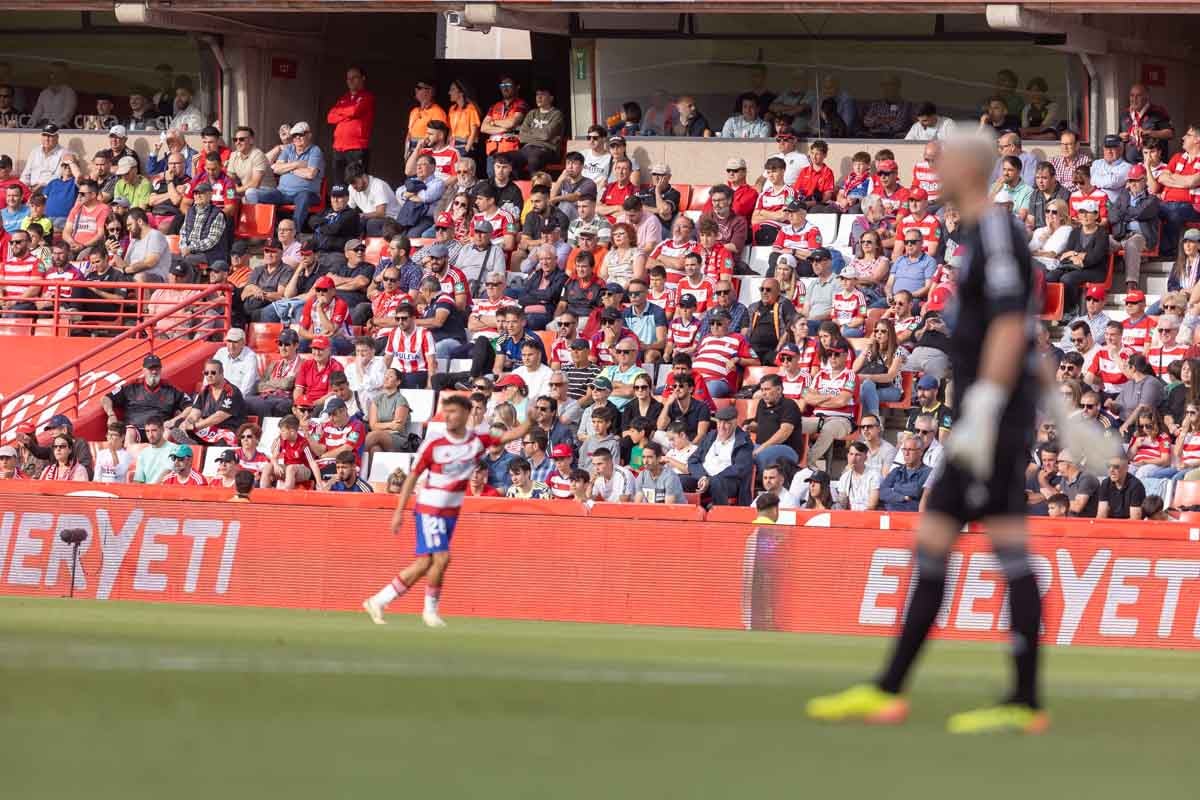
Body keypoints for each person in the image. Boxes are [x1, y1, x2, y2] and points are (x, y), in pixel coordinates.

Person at [808, 132, 1052, 734]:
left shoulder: (994, 231)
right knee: (956, 543)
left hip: (989, 422)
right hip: (989, 417)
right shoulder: (973, 234)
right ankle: (911, 690)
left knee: (984, 549)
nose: (933, 169)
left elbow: (1005, 329)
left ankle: (999, 699)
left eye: (943, 159)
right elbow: (1023, 331)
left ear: (970, 168)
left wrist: (985, 412)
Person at [363, 395, 524, 627]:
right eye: (445, 411)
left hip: (449, 512)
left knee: (424, 564)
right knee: (442, 557)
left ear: (467, 414)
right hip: (430, 508)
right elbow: (413, 477)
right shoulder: (434, 444)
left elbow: (508, 436)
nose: (448, 416)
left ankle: (379, 600)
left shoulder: (475, 442)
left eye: (453, 411)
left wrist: (529, 422)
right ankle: (430, 611)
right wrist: (399, 510)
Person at [246, 121, 323, 234]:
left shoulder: (315, 150)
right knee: (251, 193)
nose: (297, 138)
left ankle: (293, 233)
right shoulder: (289, 149)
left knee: (303, 197)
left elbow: (310, 174)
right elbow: (276, 168)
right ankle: (260, 232)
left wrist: (287, 168)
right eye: (294, 135)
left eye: (301, 134)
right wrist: (296, 165)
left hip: (306, 193)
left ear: (309, 135)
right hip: (282, 193)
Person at [102, 353, 190, 443]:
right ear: (143, 370)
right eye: (151, 368)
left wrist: (174, 421)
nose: (154, 371)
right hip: (134, 429)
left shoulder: (171, 389)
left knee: (167, 432)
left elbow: (190, 407)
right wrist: (111, 415)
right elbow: (106, 398)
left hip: (159, 430)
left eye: (157, 368)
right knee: (129, 433)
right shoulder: (132, 386)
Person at [685, 405, 753, 506]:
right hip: (703, 478)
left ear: (734, 423)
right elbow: (693, 460)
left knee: (717, 482)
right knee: (680, 480)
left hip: (728, 482)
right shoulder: (710, 436)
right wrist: (703, 477)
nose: (721, 426)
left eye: (726, 423)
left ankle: (718, 515)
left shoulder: (743, 441)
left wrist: (710, 480)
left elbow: (740, 468)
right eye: (719, 422)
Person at [326, 65, 376, 181]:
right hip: (338, 147)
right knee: (339, 185)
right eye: (348, 78)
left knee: (357, 184)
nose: (350, 81)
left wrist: (341, 113)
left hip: (356, 148)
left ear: (362, 78)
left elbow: (354, 111)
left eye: (354, 77)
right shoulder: (344, 98)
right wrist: (346, 114)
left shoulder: (367, 96)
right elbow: (330, 117)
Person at [1096, 455, 1146, 520]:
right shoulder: (1105, 483)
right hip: (1111, 525)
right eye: (1109, 466)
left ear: (1126, 468)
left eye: (1116, 467)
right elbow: (1101, 515)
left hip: (1129, 526)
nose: (1111, 470)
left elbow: (1135, 519)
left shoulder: (1136, 486)